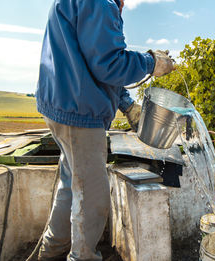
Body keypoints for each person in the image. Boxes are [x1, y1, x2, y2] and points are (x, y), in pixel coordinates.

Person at [34, 0, 174, 260]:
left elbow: (95, 63)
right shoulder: (99, 2)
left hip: (63, 106)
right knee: (92, 199)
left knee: (71, 185)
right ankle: (82, 256)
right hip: (79, 113)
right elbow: (110, 64)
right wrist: (151, 63)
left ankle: (51, 252)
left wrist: (127, 104)